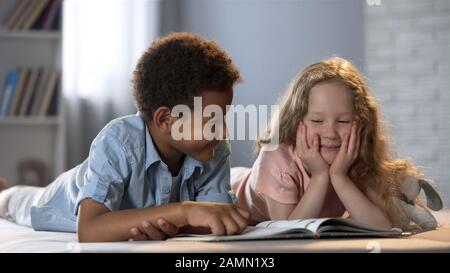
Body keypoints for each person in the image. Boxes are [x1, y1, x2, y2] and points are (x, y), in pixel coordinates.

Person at [0, 32, 250, 242]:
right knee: (15, 201)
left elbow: (215, 218)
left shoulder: (214, 149)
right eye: (213, 122)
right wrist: (184, 212)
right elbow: (89, 230)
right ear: (165, 120)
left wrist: (175, 222)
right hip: (60, 201)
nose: (224, 132)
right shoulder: (118, 141)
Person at [231, 57, 424, 229]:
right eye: (317, 121)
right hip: (231, 188)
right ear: (297, 120)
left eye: (343, 121)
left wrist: (339, 176)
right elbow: (287, 231)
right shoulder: (275, 158)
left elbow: (382, 227)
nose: (331, 133)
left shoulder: (355, 157)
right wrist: (320, 176)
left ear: (362, 122)